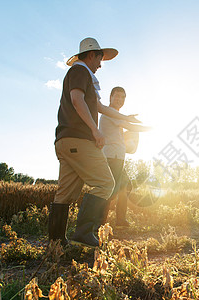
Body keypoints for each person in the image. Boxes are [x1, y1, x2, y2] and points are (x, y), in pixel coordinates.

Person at [49, 37, 140, 248]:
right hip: (79, 140)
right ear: (91, 55)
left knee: (65, 193)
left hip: (65, 141)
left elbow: (98, 106)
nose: (100, 65)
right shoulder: (80, 72)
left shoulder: (81, 75)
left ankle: (55, 243)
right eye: (100, 59)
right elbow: (77, 100)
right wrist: (95, 130)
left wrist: (125, 118)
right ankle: (83, 233)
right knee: (106, 183)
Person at [99, 87, 151, 227]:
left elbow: (125, 129)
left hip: (117, 156)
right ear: (110, 97)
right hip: (112, 157)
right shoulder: (111, 114)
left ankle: (120, 220)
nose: (120, 100)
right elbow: (131, 127)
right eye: (117, 96)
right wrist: (151, 128)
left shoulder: (115, 115)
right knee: (111, 190)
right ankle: (100, 223)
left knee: (126, 186)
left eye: (123, 97)